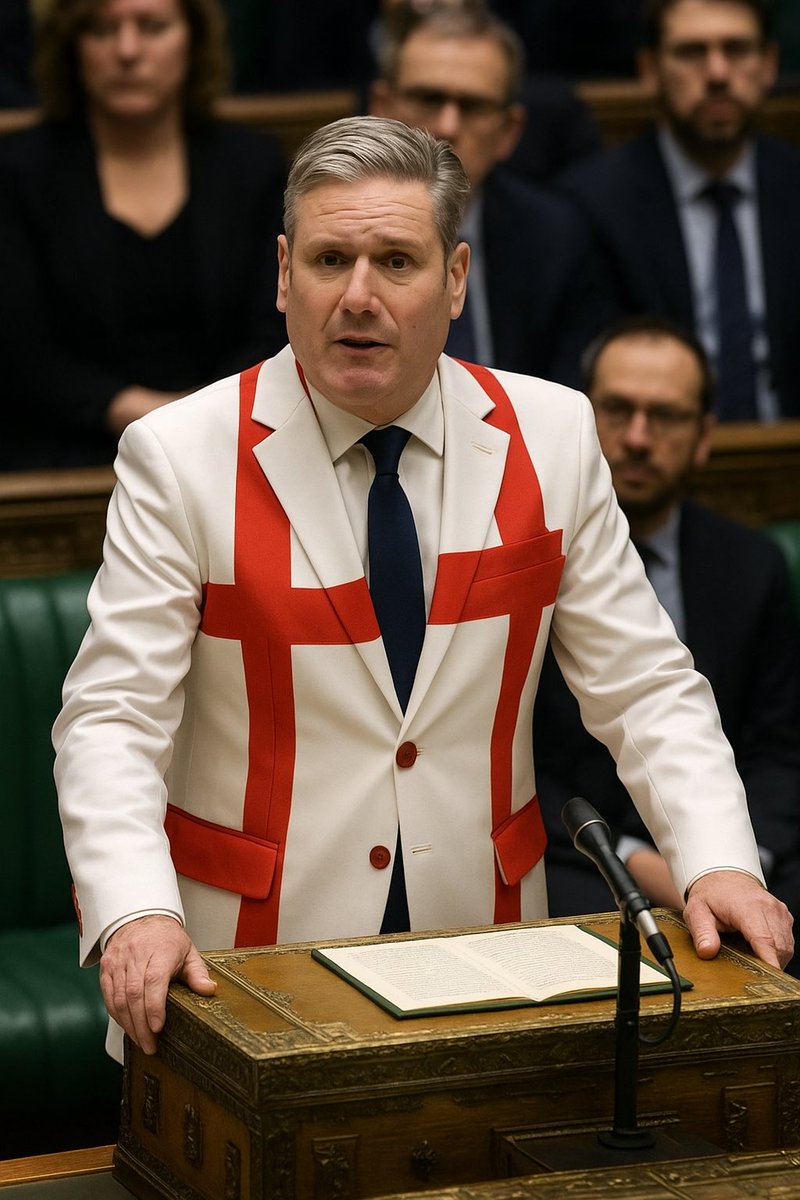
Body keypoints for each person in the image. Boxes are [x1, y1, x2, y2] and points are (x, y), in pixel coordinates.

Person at [53, 115, 792, 1063]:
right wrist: (134, 914)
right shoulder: (180, 456)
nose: (358, 296)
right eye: (329, 260)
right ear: (284, 275)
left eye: (396, 262)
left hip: (485, 953)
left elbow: (644, 686)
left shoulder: (553, 434)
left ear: (454, 278)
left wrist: (720, 862)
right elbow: (113, 718)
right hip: (235, 967)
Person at [535, 315, 800, 973]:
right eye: (617, 410)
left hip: (742, 849)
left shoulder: (750, 566)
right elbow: (508, 755)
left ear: (705, 436)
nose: (637, 438)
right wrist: (654, 866)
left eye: (667, 417)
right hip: (573, 857)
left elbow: (780, 750)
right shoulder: (524, 557)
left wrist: (738, 863)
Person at [0, 0, 286, 471]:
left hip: (229, 448)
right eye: (101, 30)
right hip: (60, 459)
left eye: (152, 27)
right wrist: (151, 418)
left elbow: (273, 322)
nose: (128, 50)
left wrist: (200, 415)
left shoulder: (250, 165)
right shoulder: (18, 172)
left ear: (193, 39)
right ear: (71, 45)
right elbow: (21, 350)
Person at [556, 0, 800, 422]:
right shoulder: (590, 205)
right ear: (650, 70)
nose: (719, 74)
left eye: (737, 50)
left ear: (769, 65)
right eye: (692, 53)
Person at [368, 6, 617, 385]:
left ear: (509, 131)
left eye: (472, 106)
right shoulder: (325, 226)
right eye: (428, 99)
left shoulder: (558, 237)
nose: (447, 126)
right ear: (381, 108)